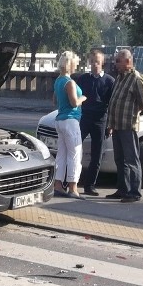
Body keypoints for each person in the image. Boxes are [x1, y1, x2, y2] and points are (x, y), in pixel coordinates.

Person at [105, 48, 143, 203]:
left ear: (128, 61)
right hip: (117, 125)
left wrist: (135, 112)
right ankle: (123, 189)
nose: (115, 63)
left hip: (128, 125)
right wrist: (110, 124)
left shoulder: (136, 78)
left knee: (131, 160)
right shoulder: (119, 77)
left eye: (118, 60)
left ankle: (134, 192)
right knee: (120, 159)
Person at [75, 48, 115, 196]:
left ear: (102, 63)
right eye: (92, 62)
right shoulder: (83, 79)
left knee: (97, 153)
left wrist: (110, 124)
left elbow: (112, 103)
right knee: (75, 147)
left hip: (100, 119)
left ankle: (90, 185)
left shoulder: (109, 81)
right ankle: (71, 180)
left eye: (97, 62)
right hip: (85, 117)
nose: (94, 65)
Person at [53, 50, 86, 199]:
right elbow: (74, 103)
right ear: (70, 64)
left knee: (61, 154)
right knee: (75, 155)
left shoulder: (58, 81)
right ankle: (73, 187)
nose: (76, 66)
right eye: (75, 63)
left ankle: (58, 185)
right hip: (71, 120)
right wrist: (83, 98)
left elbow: (54, 101)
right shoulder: (69, 82)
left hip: (60, 120)